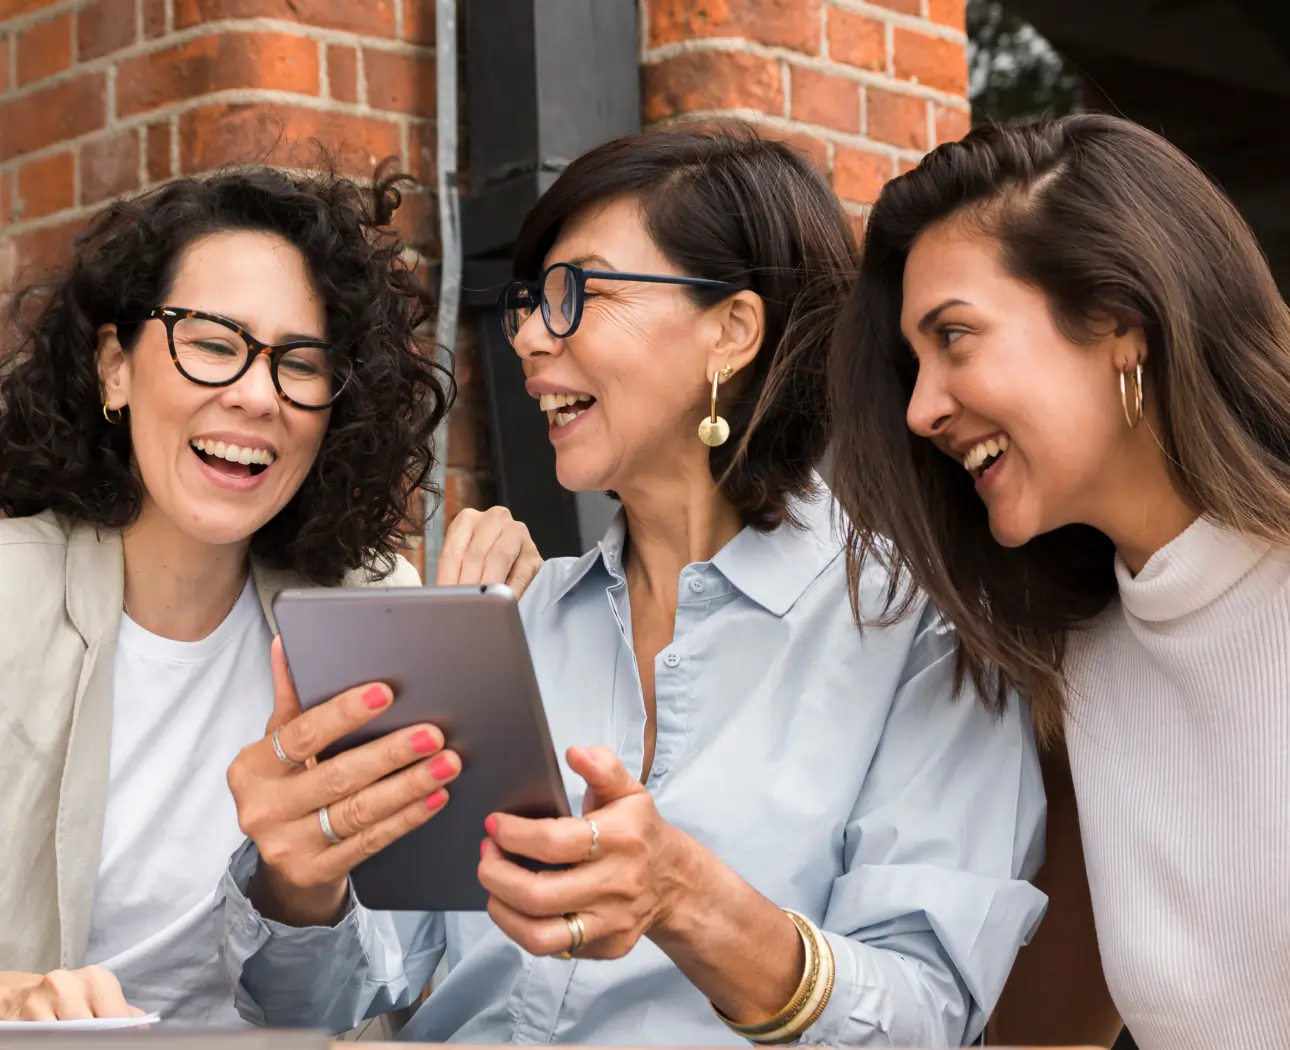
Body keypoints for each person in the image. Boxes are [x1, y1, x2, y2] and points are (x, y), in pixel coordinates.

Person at [215, 124, 1047, 1048]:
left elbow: (927, 1021)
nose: (527, 334)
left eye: (577, 293)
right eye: (531, 298)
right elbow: (330, 1001)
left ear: (730, 332)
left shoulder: (920, 634)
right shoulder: (515, 623)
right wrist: (302, 882)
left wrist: (688, 900)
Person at [0, 164, 541, 1024]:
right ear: (115, 368)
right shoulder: (10, 593)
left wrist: (302, 887)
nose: (257, 395)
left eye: (301, 364)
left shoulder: (374, 618)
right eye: (212, 344)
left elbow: (366, 998)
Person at [828, 112, 1290, 1050]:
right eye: (914, 364)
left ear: (1119, 320)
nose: (921, 410)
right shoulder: (1076, 664)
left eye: (954, 337)